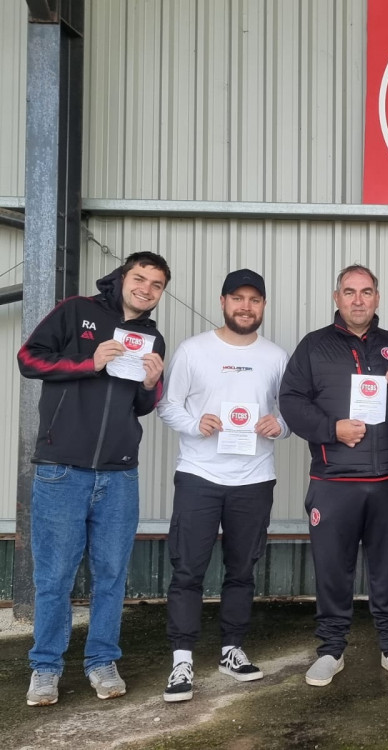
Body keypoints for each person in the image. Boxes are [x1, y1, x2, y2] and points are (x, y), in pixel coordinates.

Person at [18, 252, 170, 706]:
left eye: (156, 284)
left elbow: (140, 408)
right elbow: (29, 360)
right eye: (139, 278)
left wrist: (151, 385)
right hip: (62, 469)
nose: (146, 288)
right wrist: (89, 361)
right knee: (55, 576)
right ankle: (45, 668)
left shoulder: (152, 335)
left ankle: (102, 660)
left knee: (111, 575)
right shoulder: (76, 310)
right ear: (123, 277)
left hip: (119, 474)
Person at [156, 269, 290, 702]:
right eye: (238, 298)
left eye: (254, 299)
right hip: (200, 476)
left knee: (242, 569)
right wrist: (197, 424)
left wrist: (281, 424)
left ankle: (232, 649)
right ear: (223, 302)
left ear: (264, 306)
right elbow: (167, 406)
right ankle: (182, 660)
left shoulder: (275, 356)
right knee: (188, 569)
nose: (246, 307)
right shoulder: (194, 350)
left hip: (254, 480)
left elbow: (290, 412)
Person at [279, 264, 388, 687]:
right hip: (334, 480)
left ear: (378, 298)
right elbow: (290, 400)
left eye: (367, 292)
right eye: (350, 292)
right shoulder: (314, 347)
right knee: (332, 569)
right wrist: (331, 429)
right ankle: (330, 649)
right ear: (336, 298)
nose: (359, 300)